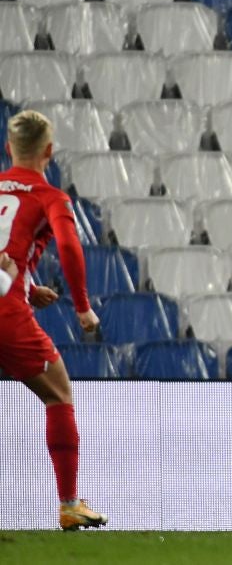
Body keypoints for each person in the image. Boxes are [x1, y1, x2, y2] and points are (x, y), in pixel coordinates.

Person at [0, 110, 106, 530]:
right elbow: (68, 246)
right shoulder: (50, 197)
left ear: (9, 148)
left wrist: (26, 285)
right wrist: (81, 305)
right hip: (6, 311)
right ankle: (68, 504)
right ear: (49, 151)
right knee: (59, 393)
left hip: (10, 292)